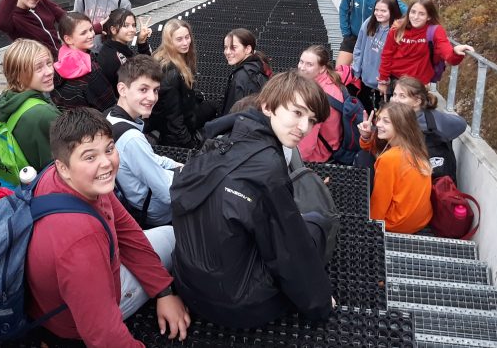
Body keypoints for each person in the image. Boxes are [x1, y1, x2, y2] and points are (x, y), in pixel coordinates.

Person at [170, 71, 337, 328]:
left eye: (312, 120)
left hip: (188, 284)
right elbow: (291, 253)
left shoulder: (221, 137)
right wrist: (321, 304)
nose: (304, 127)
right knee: (315, 223)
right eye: (297, 113)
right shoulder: (268, 168)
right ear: (269, 107)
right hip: (237, 306)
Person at [25, 108, 191, 348]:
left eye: (109, 149)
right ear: (63, 167)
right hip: (75, 324)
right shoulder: (80, 242)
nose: (106, 163)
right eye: (90, 157)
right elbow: (105, 337)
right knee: (174, 237)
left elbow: (127, 233)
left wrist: (163, 292)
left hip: (54, 302)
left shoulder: (67, 179)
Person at [105, 56, 182, 227]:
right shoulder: (132, 139)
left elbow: (148, 159)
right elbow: (168, 194)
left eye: (155, 90)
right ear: (122, 89)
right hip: (156, 215)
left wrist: (175, 165)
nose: (152, 97)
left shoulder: (109, 116)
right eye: (143, 89)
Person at [0, 39, 61, 185]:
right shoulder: (42, 113)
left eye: (49, 63)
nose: (49, 72)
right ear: (18, 75)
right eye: (38, 68)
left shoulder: (6, 100)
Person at [358, 102, 433, 234]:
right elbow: (373, 151)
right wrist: (366, 137)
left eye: (386, 121)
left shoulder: (389, 159)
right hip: (421, 220)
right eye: (379, 119)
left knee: (362, 159)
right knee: (365, 156)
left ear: (400, 127)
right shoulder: (416, 147)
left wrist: (371, 227)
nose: (378, 124)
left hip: (396, 225)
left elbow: (380, 201)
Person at [378, 0, 473, 97]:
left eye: (421, 14)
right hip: (397, 80)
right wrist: (383, 80)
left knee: (413, 111)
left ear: (429, 17)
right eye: (413, 12)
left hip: (418, 84)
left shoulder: (435, 31)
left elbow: (448, 54)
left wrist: (455, 52)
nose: (415, 17)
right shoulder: (397, 28)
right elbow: (386, 55)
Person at [389, 77, 467, 183]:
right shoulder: (392, 118)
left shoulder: (433, 120)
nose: (395, 100)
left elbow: (461, 124)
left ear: (417, 101)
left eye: (402, 96)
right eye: (394, 94)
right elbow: (461, 124)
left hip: (431, 185)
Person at [147, 19, 206, 148]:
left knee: (211, 108)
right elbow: (173, 118)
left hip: (182, 112)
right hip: (172, 128)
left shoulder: (168, 57)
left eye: (187, 37)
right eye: (179, 39)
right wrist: (190, 143)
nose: (186, 43)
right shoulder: (171, 73)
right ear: (169, 42)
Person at [337, 0, 406, 67]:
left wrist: (403, 24)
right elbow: (343, 9)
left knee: (365, 74)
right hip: (353, 36)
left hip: (372, 38)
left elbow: (403, 10)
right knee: (340, 70)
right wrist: (346, 32)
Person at [52, 13, 118, 112]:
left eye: (91, 29)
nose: (91, 35)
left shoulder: (58, 60)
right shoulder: (91, 70)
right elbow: (108, 104)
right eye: (83, 33)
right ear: (68, 39)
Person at [294, 45, 345, 163]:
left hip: (319, 154)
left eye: (309, 64)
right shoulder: (329, 81)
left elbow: (305, 148)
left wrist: (295, 163)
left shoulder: (316, 97)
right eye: (301, 62)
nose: (302, 67)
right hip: (332, 143)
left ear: (322, 68)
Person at [352, 0, 403, 112]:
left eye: (383, 11)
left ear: (393, 11)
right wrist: (356, 70)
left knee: (382, 114)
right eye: (376, 10)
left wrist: (388, 80)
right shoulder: (369, 23)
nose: (378, 13)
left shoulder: (398, 31)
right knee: (364, 111)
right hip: (364, 79)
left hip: (385, 85)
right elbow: (359, 47)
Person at [95, 8, 152, 93]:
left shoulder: (114, 48)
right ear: (113, 30)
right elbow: (145, 73)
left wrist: (142, 41)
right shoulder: (115, 57)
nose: (132, 30)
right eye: (126, 25)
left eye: (133, 25)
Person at [220, 28, 271, 116]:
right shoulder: (258, 66)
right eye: (226, 47)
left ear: (247, 49)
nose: (227, 52)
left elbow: (233, 114)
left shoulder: (242, 76)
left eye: (233, 47)